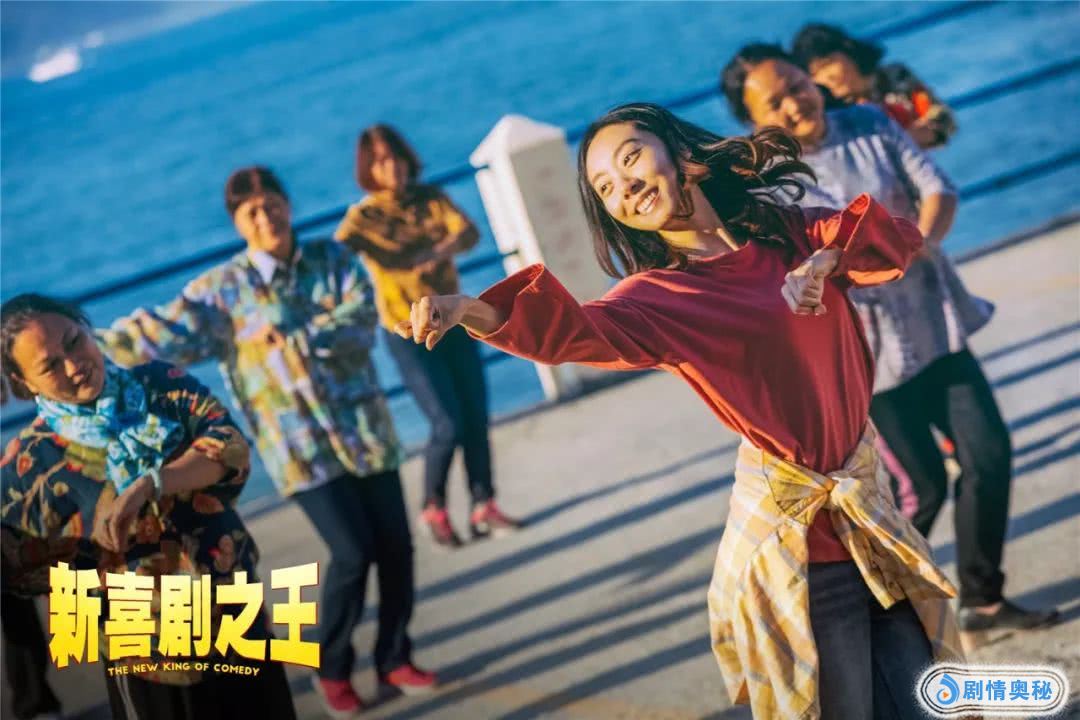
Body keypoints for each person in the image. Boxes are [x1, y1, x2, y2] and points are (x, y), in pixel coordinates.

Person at [393, 102, 964, 719]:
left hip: (870, 522)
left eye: (631, 158)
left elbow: (895, 238)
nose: (624, 186)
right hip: (800, 556)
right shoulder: (659, 298)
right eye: (605, 187)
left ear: (685, 158)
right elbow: (575, 333)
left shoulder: (788, 235)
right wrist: (469, 310)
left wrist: (826, 262)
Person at [721, 44, 1060, 649]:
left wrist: (917, 244)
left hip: (933, 323)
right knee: (919, 488)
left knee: (989, 454)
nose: (796, 102)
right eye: (775, 102)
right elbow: (776, 276)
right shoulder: (764, 188)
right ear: (754, 121)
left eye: (798, 84)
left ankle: (982, 598)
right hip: (862, 361)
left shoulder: (870, 123)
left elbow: (936, 187)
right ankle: (872, 614)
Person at [96, 167, 436, 717]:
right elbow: (157, 331)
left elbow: (359, 320)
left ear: (287, 204)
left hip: (365, 432)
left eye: (272, 204)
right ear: (237, 223)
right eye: (251, 212)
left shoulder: (333, 259)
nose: (265, 217)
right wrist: (85, 346)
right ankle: (332, 666)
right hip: (298, 449)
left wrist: (300, 335)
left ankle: (395, 655)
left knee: (397, 546)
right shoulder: (221, 292)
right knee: (353, 553)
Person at [0, 293, 296, 720]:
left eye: (74, 341)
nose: (74, 364)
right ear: (23, 382)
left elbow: (228, 444)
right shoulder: (30, 463)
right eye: (50, 366)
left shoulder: (162, 384)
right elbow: (15, 567)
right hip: (148, 656)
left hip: (237, 616)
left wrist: (154, 483)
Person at [335, 124, 520, 549]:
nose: (393, 167)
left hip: (452, 321)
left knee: (475, 415)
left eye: (397, 157)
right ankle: (433, 508)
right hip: (407, 332)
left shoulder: (431, 199)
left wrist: (438, 251)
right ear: (368, 169)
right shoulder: (364, 218)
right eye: (381, 161)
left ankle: (483, 505)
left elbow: (468, 233)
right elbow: (337, 254)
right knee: (446, 423)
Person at [790, 23, 957, 149]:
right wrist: (904, 140)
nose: (826, 78)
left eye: (827, 64)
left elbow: (944, 119)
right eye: (814, 74)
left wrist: (928, 132)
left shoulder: (895, 76)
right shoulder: (831, 111)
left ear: (848, 51)